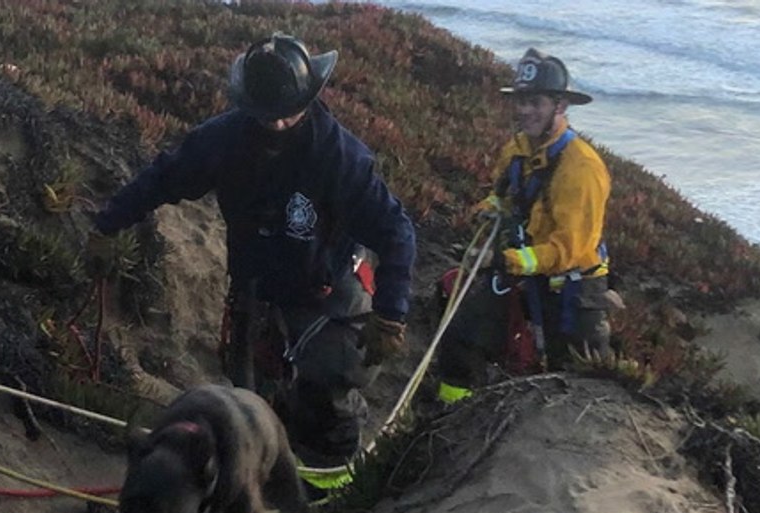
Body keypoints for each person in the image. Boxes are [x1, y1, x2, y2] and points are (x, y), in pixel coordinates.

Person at [90, 32, 417, 478]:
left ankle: (331, 485)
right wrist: (108, 225)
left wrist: (391, 313)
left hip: (325, 289)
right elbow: (161, 179)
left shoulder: (340, 159)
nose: (279, 125)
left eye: (289, 114)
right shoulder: (221, 142)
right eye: (269, 116)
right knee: (253, 396)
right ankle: (269, 477)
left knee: (331, 384)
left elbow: (396, 231)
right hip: (255, 289)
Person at [436, 48, 615, 404]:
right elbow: (505, 197)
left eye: (535, 102)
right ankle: (450, 421)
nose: (524, 111)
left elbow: (569, 251)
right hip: (522, 275)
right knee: (461, 335)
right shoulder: (517, 150)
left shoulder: (581, 169)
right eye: (520, 101)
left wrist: (505, 262)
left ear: (560, 106)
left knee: (577, 383)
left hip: (572, 291)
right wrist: (487, 210)